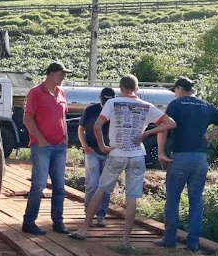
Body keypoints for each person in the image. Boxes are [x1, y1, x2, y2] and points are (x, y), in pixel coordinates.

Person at [69, 74, 176, 250]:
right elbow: (171, 123)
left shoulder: (112, 103)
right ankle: (126, 240)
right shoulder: (147, 106)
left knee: (101, 190)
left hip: (117, 153)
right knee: (132, 198)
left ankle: (84, 229)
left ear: (121, 88)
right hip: (137, 156)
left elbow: (97, 126)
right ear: (137, 89)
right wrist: (147, 133)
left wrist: (103, 146)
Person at [153, 77, 218, 252]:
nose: (175, 93)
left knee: (173, 200)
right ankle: (193, 243)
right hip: (200, 159)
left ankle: (169, 239)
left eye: (175, 90)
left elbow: (164, 127)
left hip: (180, 158)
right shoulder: (206, 105)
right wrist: (210, 134)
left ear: (180, 88)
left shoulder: (176, 105)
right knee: (196, 201)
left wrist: (161, 153)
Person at [21, 61, 71, 235]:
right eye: (61, 74)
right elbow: (28, 118)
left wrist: (66, 137)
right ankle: (29, 222)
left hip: (59, 146)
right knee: (39, 185)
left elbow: (62, 117)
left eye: (64, 74)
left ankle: (58, 222)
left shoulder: (61, 93)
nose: (63, 77)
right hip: (42, 147)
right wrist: (40, 139)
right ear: (50, 73)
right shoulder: (36, 92)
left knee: (59, 186)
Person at [78, 87, 116, 228]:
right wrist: (84, 146)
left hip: (109, 153)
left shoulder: (116, 111)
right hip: (92, 151)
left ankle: (101, 215)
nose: (106, 104)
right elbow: (81, 129)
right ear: (100, 99)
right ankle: (89, 213)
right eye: (104, 101)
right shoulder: (90, 110)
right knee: (92, 184)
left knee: (105, 186)